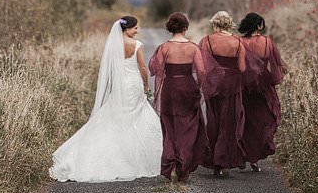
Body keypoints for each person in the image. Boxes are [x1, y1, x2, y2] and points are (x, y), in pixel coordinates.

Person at [49, 16, 162, 182]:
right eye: (135, 28)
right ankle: (133, 157)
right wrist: (146, 85)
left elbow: (109, 69)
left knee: (115, 115)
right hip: (133, 84)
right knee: (137, 116)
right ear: (127, 28)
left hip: (119, 85)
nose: (137, 31)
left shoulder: (113, 45)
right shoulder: (137, 45)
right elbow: (142, 67)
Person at [149, 12, 209, 183]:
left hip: (170, 89)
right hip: (188, 87)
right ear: (186, 27)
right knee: (188, 127)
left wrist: (161, 89)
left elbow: (157, 71)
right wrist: (198, 87)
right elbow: (202, 71)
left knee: (170, 127)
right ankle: (183, 166)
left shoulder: (164, 48)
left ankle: (170, 164)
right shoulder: (193, 48)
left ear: (170, 27)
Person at [237, 12, 288, 172]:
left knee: (246, 122)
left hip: (243, 87)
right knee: (265, 120)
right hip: (263, 87)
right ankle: (255, 159)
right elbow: (278, 65)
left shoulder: (239, 42)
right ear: (259, 25)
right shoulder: (267, 42)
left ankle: (244, 155)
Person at [199, 11, 247, 176]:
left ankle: (214, 160)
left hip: (213, 85)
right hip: (232, 85)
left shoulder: (206, 41)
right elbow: (242, 68)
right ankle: (224, 159)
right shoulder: (238, 42)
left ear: (214, 23)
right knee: (229, 122)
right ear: (228, 24)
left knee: (213, 120)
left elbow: (202, 67)